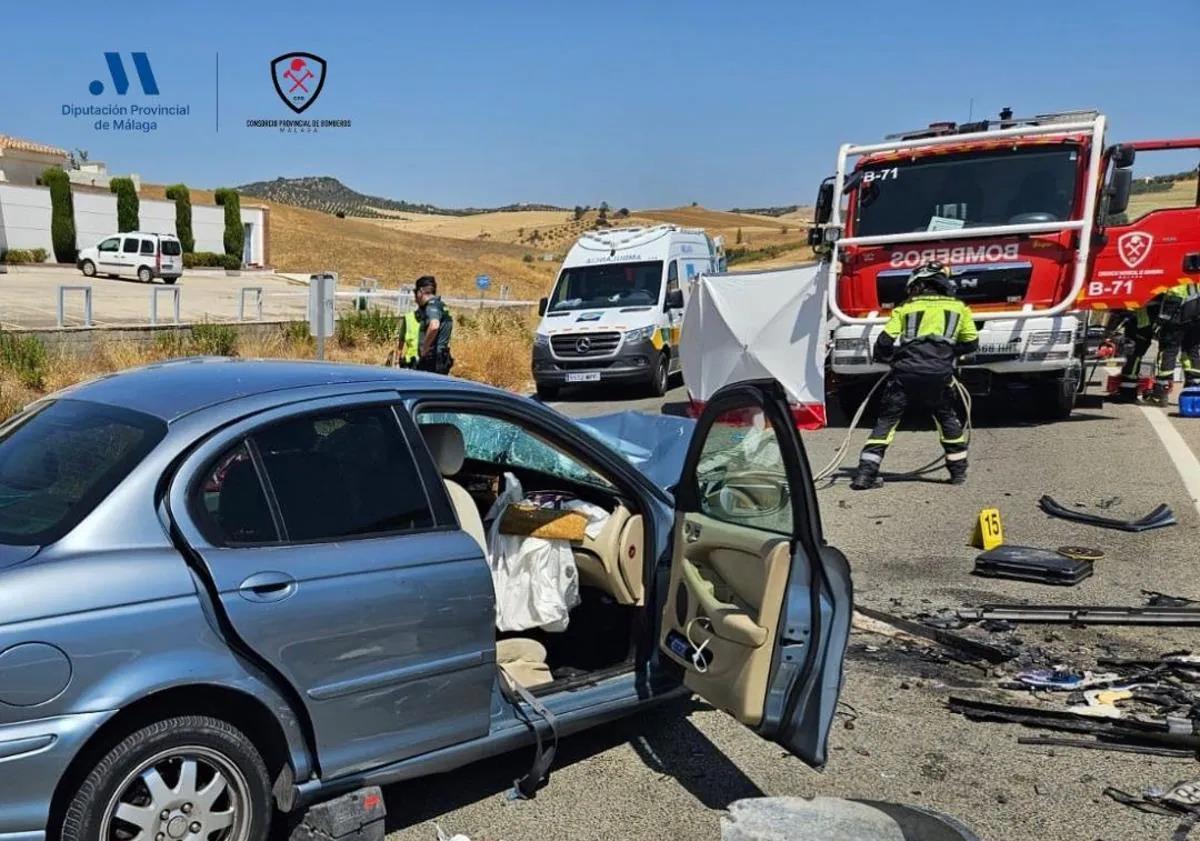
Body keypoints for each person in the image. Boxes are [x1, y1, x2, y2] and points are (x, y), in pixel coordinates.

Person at [850, 261, 978, 491]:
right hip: (939, 376)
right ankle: (958, 473)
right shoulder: (959, 309)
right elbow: (971, 343)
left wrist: (892, 359)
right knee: (946, 419)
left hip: (905, 375)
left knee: (886, 423)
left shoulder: (905, 309)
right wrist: (946, 355)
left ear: (916, 284)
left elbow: (883, 344)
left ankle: (864, 475)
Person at [1146, 280, 1200, 406]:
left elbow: (1169, 295)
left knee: (1168, 350)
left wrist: (1160, 321)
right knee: (1191, 351)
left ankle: (1160, 392)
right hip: (1196, 317)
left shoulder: (1177, 275)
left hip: (1177, 315)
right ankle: (1194, 388)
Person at [414, 275, 454, 374]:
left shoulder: (432, 306)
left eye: (416, 293)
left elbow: (434, 326)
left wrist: (424, 349)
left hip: (432, 360)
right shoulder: (441, 305)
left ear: (421, 291)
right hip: (441, 358)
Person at [390, 304, 421, 368]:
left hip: (424, 362)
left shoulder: (433, 320)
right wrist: (397, 361)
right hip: (409, 362)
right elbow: (400, 344)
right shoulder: (408, 318)